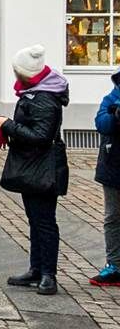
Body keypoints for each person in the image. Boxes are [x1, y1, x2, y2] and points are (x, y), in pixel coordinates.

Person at [0, 45, 70, 296]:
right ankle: (36, 269)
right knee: (35, 220)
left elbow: (40, 136)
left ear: (26, 74)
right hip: (34, 165)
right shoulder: (34, 93)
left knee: (45, 221)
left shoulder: (45, 99)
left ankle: (48, 274)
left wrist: (8, 125)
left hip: (43, 167)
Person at [94, 65, 119, 287]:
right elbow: (100, 123)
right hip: (113, 167)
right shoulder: (112, 98)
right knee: (112, 217)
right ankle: (114, 265)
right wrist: (115, 113)